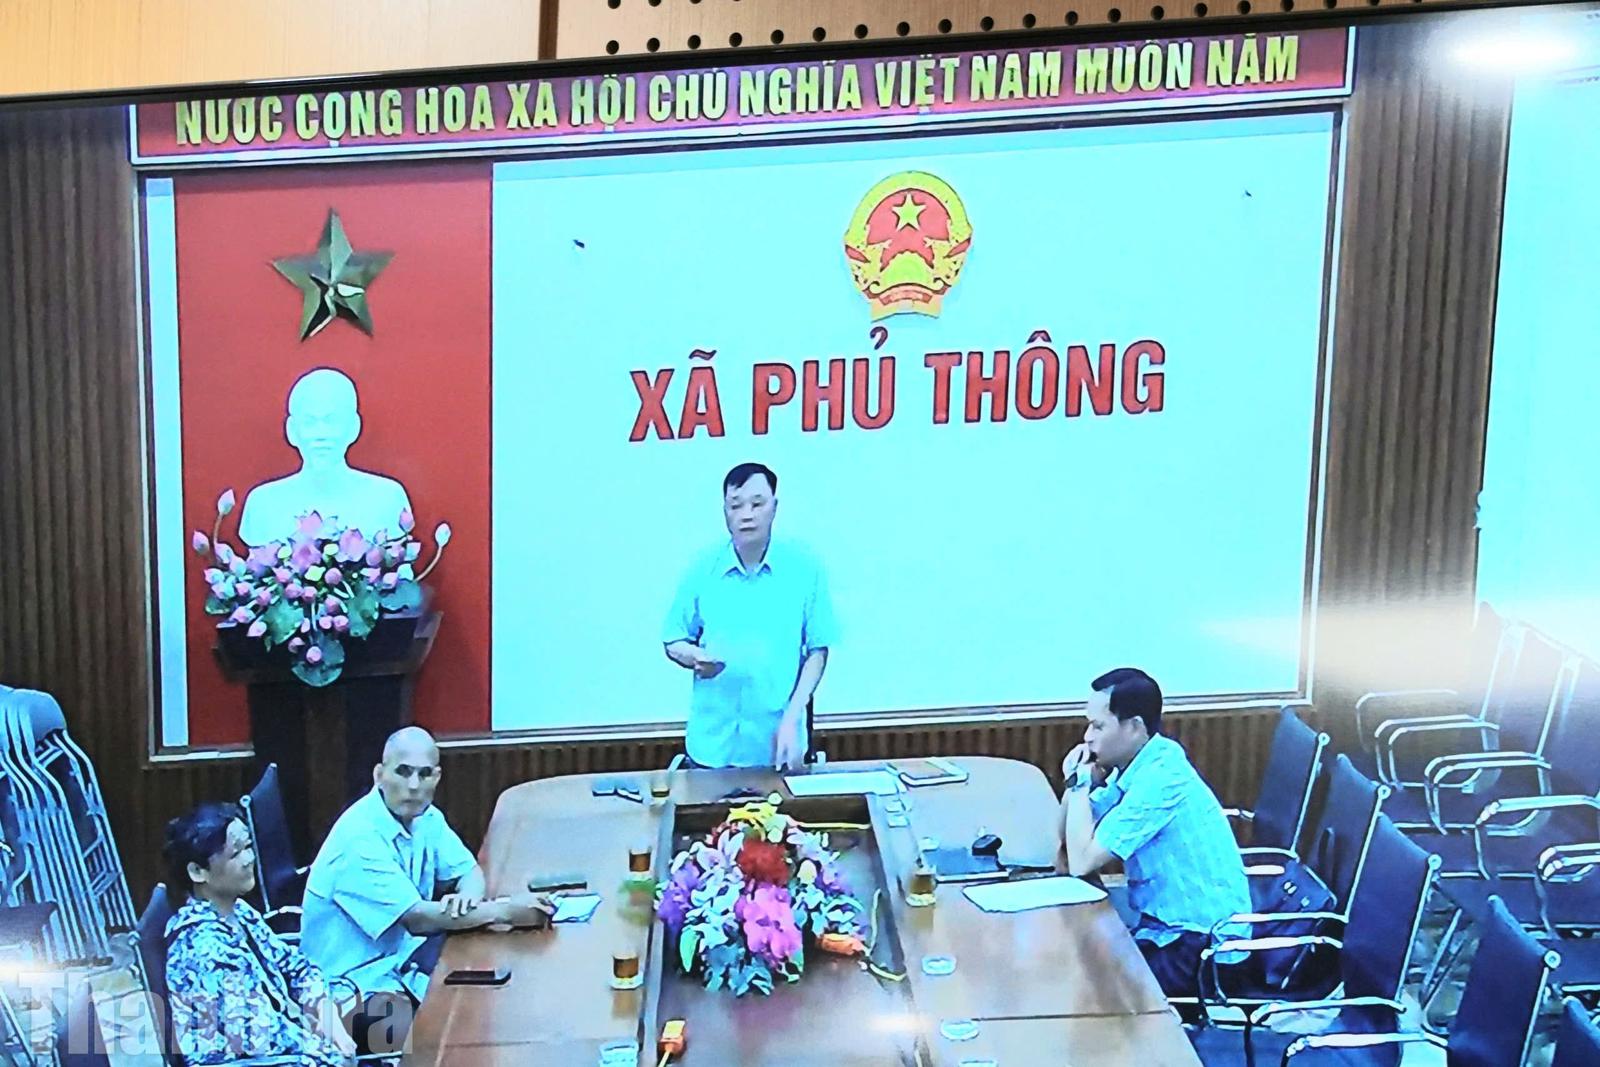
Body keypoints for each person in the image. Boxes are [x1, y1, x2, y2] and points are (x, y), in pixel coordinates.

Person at [301, 727, 553, 1051]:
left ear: (437, 777)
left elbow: (468, 872)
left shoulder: (426, 817)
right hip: (344, 997)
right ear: (379, 775)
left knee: (489, 996)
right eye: (403, 772)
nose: (413, 786)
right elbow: (418, 919)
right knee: (446, 1036)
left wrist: (467, 900)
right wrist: (504, 911)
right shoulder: (358, 839)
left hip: (401, 966)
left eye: (424, 775)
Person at [1058, 668, 1249, 1016]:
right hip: (1166, 932)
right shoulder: (1138, 764)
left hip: (1203, 950)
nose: (1087, 737)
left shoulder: (1161, 779)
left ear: (1134, 727)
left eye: (1098, 726)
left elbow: (1081, 862)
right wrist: (1079, 782)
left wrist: (1080, 784)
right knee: (1080, 963)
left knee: (1095, 987)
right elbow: (1067, 838)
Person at [663, 462, 838, 770]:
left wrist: (793, 717)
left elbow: (818, 650)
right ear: (724, 511)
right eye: (736, 505)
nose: (747, 514)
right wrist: (694, 656)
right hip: (712, 747)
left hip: (776, 745)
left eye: (757, 504)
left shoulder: (804, 569)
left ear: (774, 507)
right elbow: (673, 638)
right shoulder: (702, 568)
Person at [163, 802, 354, 1067]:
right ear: (198, 871)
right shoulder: (202, 948)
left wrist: (323, 1009)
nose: (248, 859)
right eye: (235, 854)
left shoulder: (238, 911)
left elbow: (295, 965)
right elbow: (258, 1034)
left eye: (248, 846)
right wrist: (329, 1052)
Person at [239, 367, 411, 545]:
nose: (321, 434)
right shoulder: (262, 504)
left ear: (354, 427)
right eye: (309, 422)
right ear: (291, 430)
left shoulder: (387, 498)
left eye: (331, 421)